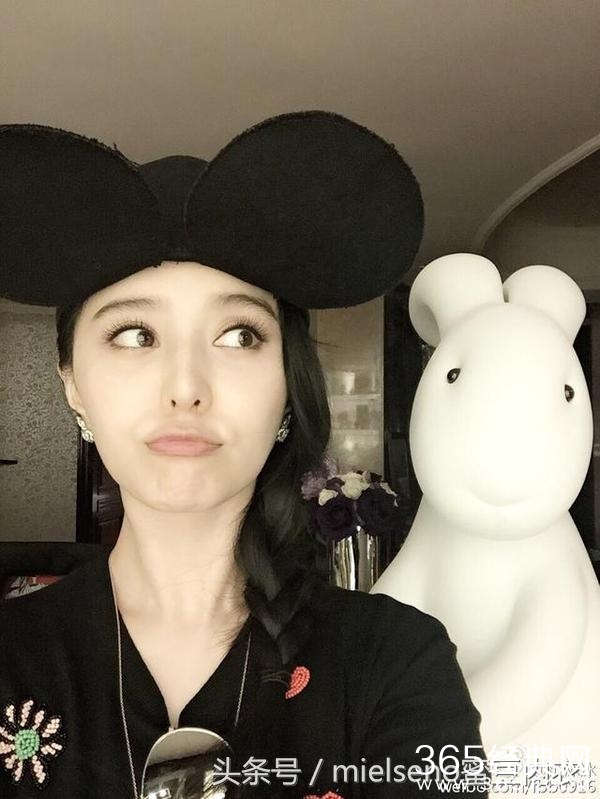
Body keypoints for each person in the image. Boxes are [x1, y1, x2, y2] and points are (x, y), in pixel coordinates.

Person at [0, 111, 487, 798]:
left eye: (239, 335)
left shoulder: (396, 662)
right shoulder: (13, 656)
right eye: (135, 334)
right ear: (73, 384)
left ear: (288, 386)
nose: (185, 388)